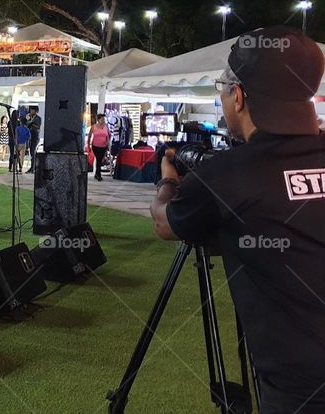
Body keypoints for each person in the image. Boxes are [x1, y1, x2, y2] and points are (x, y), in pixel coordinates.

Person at [150, 26, 325, 413]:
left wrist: (167, 178)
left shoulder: (229, 175)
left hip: (300, 391)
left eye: (222, 86)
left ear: (239, 95)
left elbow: (164, 223)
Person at [87, 114, 110, 181]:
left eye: (104, 119)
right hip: (95, 146)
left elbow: (108, 135)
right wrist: (88, 145)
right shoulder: (94, 127)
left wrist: (108, 143)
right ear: (98, 120)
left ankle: (97, 174)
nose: (103, 120)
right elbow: (89, 136)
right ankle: (98, 174)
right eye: (102, 119)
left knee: (100, 160)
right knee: (98, 159)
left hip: (104, 146)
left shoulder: (106, 127)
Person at [25, 106, 41, 173]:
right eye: (30, 110)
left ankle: (33, 168)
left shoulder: (38, 118)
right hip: (30, 137)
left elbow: (38, 127)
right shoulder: (30, 118)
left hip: (35, 137)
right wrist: (28, 120)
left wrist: (32, 124)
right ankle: (32, 167)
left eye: (32, 110)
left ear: (35, 111)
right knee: (31, 153)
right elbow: (26, 125)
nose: (30, 111)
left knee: (33, 153)